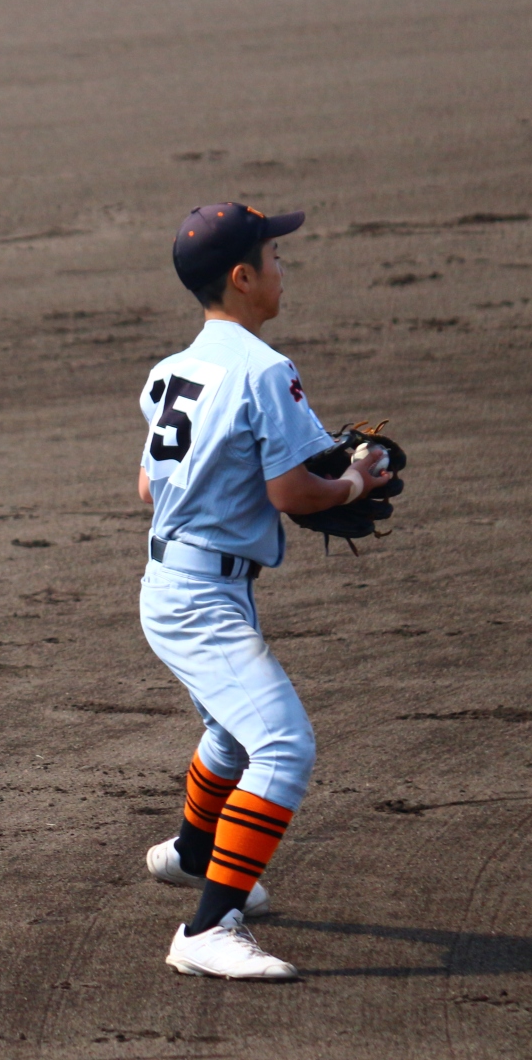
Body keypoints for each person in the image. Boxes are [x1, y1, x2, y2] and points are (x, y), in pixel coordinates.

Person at [135, 202, 391, 980]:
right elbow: (292, 493)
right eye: (276, 259)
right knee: (283, 745)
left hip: (174, 580)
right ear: (243, 277)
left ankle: (192, 853)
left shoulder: (171, 371)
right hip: (199, 599)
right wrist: (353, 481)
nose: (284, 271)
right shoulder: (265, 370)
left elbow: (149, 487)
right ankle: (207, 930)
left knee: (231, 732)